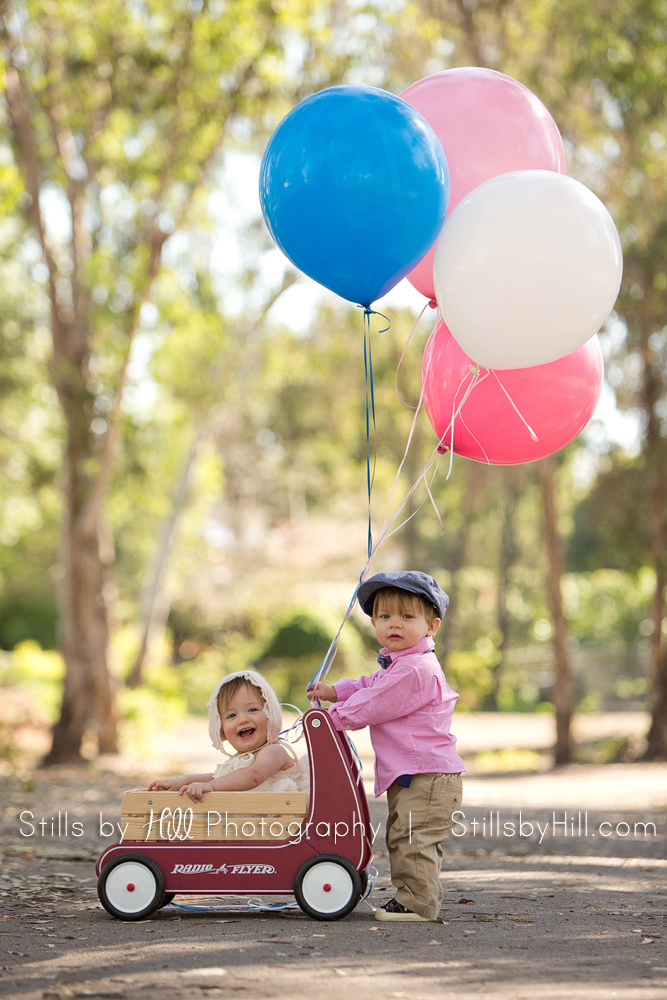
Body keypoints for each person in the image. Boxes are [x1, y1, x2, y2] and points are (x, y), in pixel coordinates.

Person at [308, 571, 464, 922]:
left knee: (413, 839)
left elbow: (373, 702)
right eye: (384, 616)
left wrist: (329, 718)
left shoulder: (416, 670)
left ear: (431, 627)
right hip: (416, 776)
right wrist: (336, 692)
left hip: (427, 777)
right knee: (403, 835)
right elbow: (369, 684)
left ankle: (418, 904)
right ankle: (415, 895)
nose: (394, 624)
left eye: (407, 616)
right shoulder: (399, 665)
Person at [148, 669, 307, 802]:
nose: (243, 719)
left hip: (281, 832)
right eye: (231, 716)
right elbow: (217, 777)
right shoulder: (240, 761)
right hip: (255, 829)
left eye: (252, 710)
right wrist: (182, 781)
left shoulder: (274, 751)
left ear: (271, 714)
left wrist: (212, 786)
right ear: (221, 729)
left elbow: (253, 775)